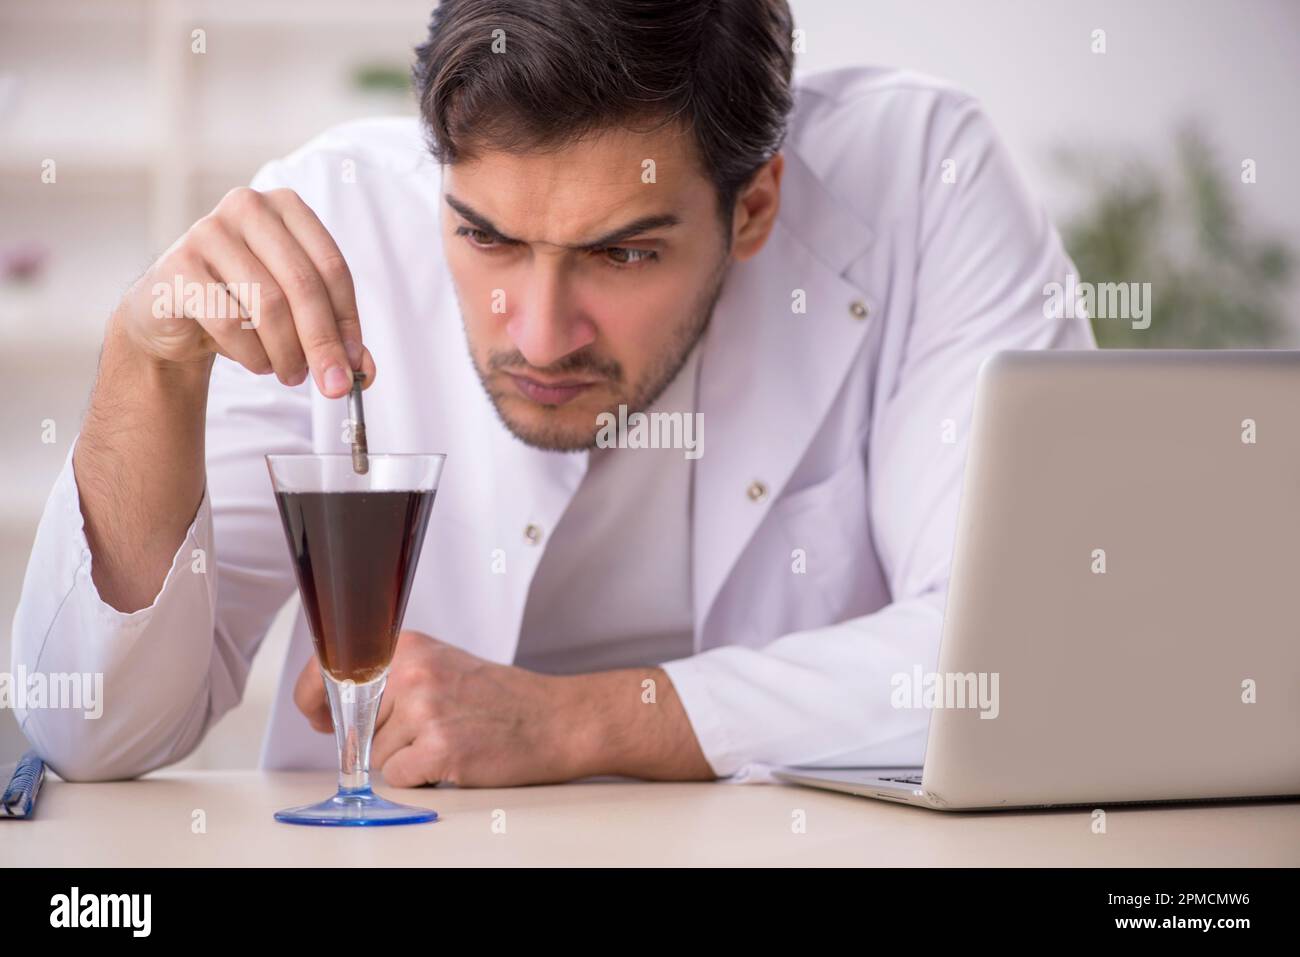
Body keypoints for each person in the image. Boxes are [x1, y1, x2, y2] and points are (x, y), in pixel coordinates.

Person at [11, 0, 1094, 787]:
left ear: (754, 204)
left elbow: (1028, 649)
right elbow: (92, 736)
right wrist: (144, 367)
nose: (535, 333)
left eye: (621, 255)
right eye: (485, 236)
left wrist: (586, 723)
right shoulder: (333, 224)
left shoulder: (922, 181)